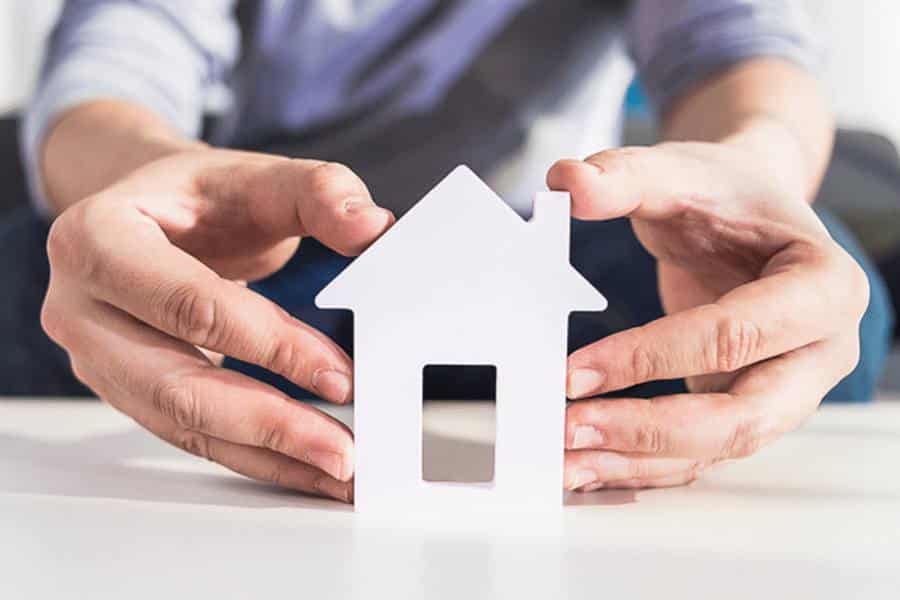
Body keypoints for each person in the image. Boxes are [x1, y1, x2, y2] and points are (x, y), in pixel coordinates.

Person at [3, 0, 893, 503]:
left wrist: (750, 172)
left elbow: (737, 46)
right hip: (272, 242)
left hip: (553, 240)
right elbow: (114, 63)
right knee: (49, 282)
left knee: (808, 302)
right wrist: (148, 177)